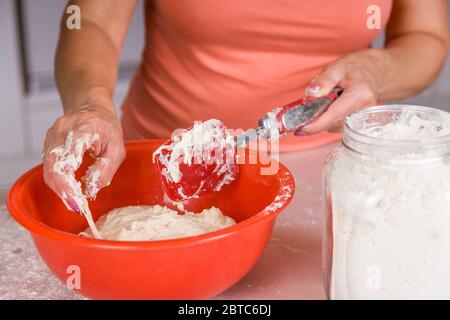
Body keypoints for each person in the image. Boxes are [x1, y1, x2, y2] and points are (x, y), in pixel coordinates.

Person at [43, 0, 448, 211]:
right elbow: (89, 19)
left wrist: (377, 71)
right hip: (159, 163)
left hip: (328, 173)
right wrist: (90, 106)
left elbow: (425, 37)